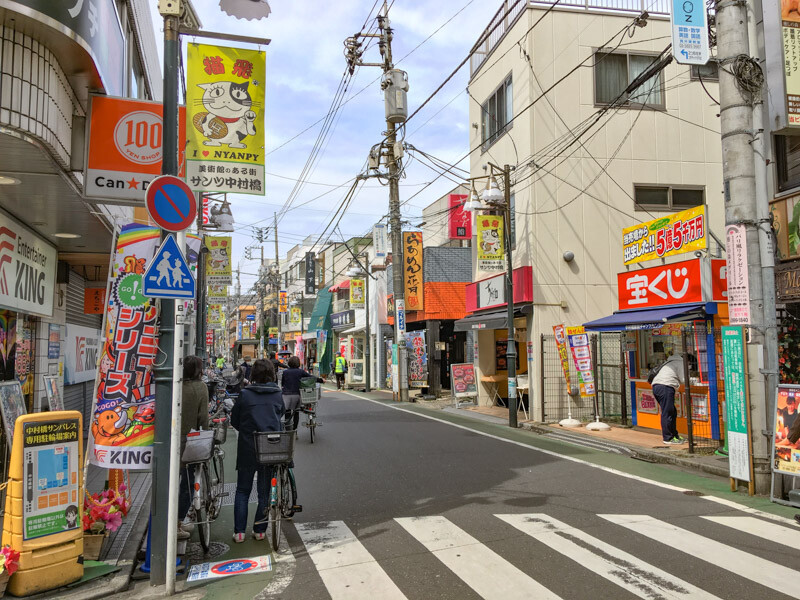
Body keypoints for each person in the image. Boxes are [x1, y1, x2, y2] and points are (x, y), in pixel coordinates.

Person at [230, 359, 284, 543]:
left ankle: (239, 533)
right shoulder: (277, 394)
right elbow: (281, 414)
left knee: (243, 490)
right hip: (269, 446)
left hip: (247, 446)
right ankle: (260, 530)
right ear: (271, 374)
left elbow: (234, 420)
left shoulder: (245, 394)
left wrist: (246, 430)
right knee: (264, 491)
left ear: (253, 374)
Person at [178, 355, 209, 539]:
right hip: (190, 441)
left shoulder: (177, 385)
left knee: (173, 482)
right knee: (188, 484)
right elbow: (203, 419)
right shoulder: (200, 387)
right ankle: (178, 522)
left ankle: (170, 522)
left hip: (171, 441)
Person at [651, 352, 688, 445]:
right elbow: (684, 379)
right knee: (668, 412)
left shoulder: (669, 362)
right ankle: (668, 438)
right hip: (666, 387)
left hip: (657, 387)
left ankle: (674, 435)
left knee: (671, 412)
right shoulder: (680, 362)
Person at [280, 356, 323, 431]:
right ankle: (294, 430)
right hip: (297, 395)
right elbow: (311, 378)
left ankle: (288, 430)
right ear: (298, 363)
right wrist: (321, 380)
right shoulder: (300, 371)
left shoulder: (285, 372)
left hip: (286, 395)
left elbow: (282, 384)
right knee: (296, 413)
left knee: (287, 412)